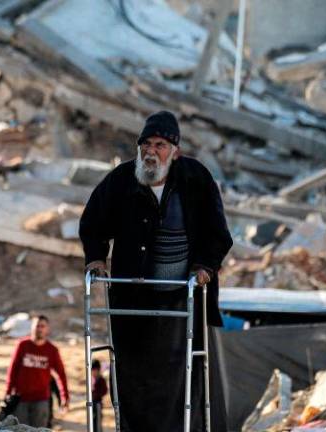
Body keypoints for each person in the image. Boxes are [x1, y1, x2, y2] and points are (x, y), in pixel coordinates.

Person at [79, 110, 233, 432]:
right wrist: (95, 258)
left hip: (180, 299)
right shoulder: (122, 180)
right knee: (133, 374)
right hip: (131, 298)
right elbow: (92, 222)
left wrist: (205, 267)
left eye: (160, 145)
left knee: (177, 376)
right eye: (145, 144)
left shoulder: (195, 179)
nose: (151, 151)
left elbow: (218, 234)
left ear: (175, 151)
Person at [4, 315, 69, 427]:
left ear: (47, 329)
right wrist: (8, 391)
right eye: (37, 326)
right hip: (21, 399)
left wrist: (65, 397)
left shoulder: (52, 350)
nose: (39, 329)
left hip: (41, 400)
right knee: (20, 429)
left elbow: (61, 375)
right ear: (32, 328)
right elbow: (13, 370)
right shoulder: (22, 345)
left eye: (42, 326)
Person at [91, 359, 108, 432]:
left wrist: (97, 394)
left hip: (98, 403)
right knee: (92, 421)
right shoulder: (91, 379)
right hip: (92, 403)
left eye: (94, 370)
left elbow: (105, 391)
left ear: (98, 370)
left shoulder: (101, 379)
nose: (93, 372)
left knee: (98, 421)